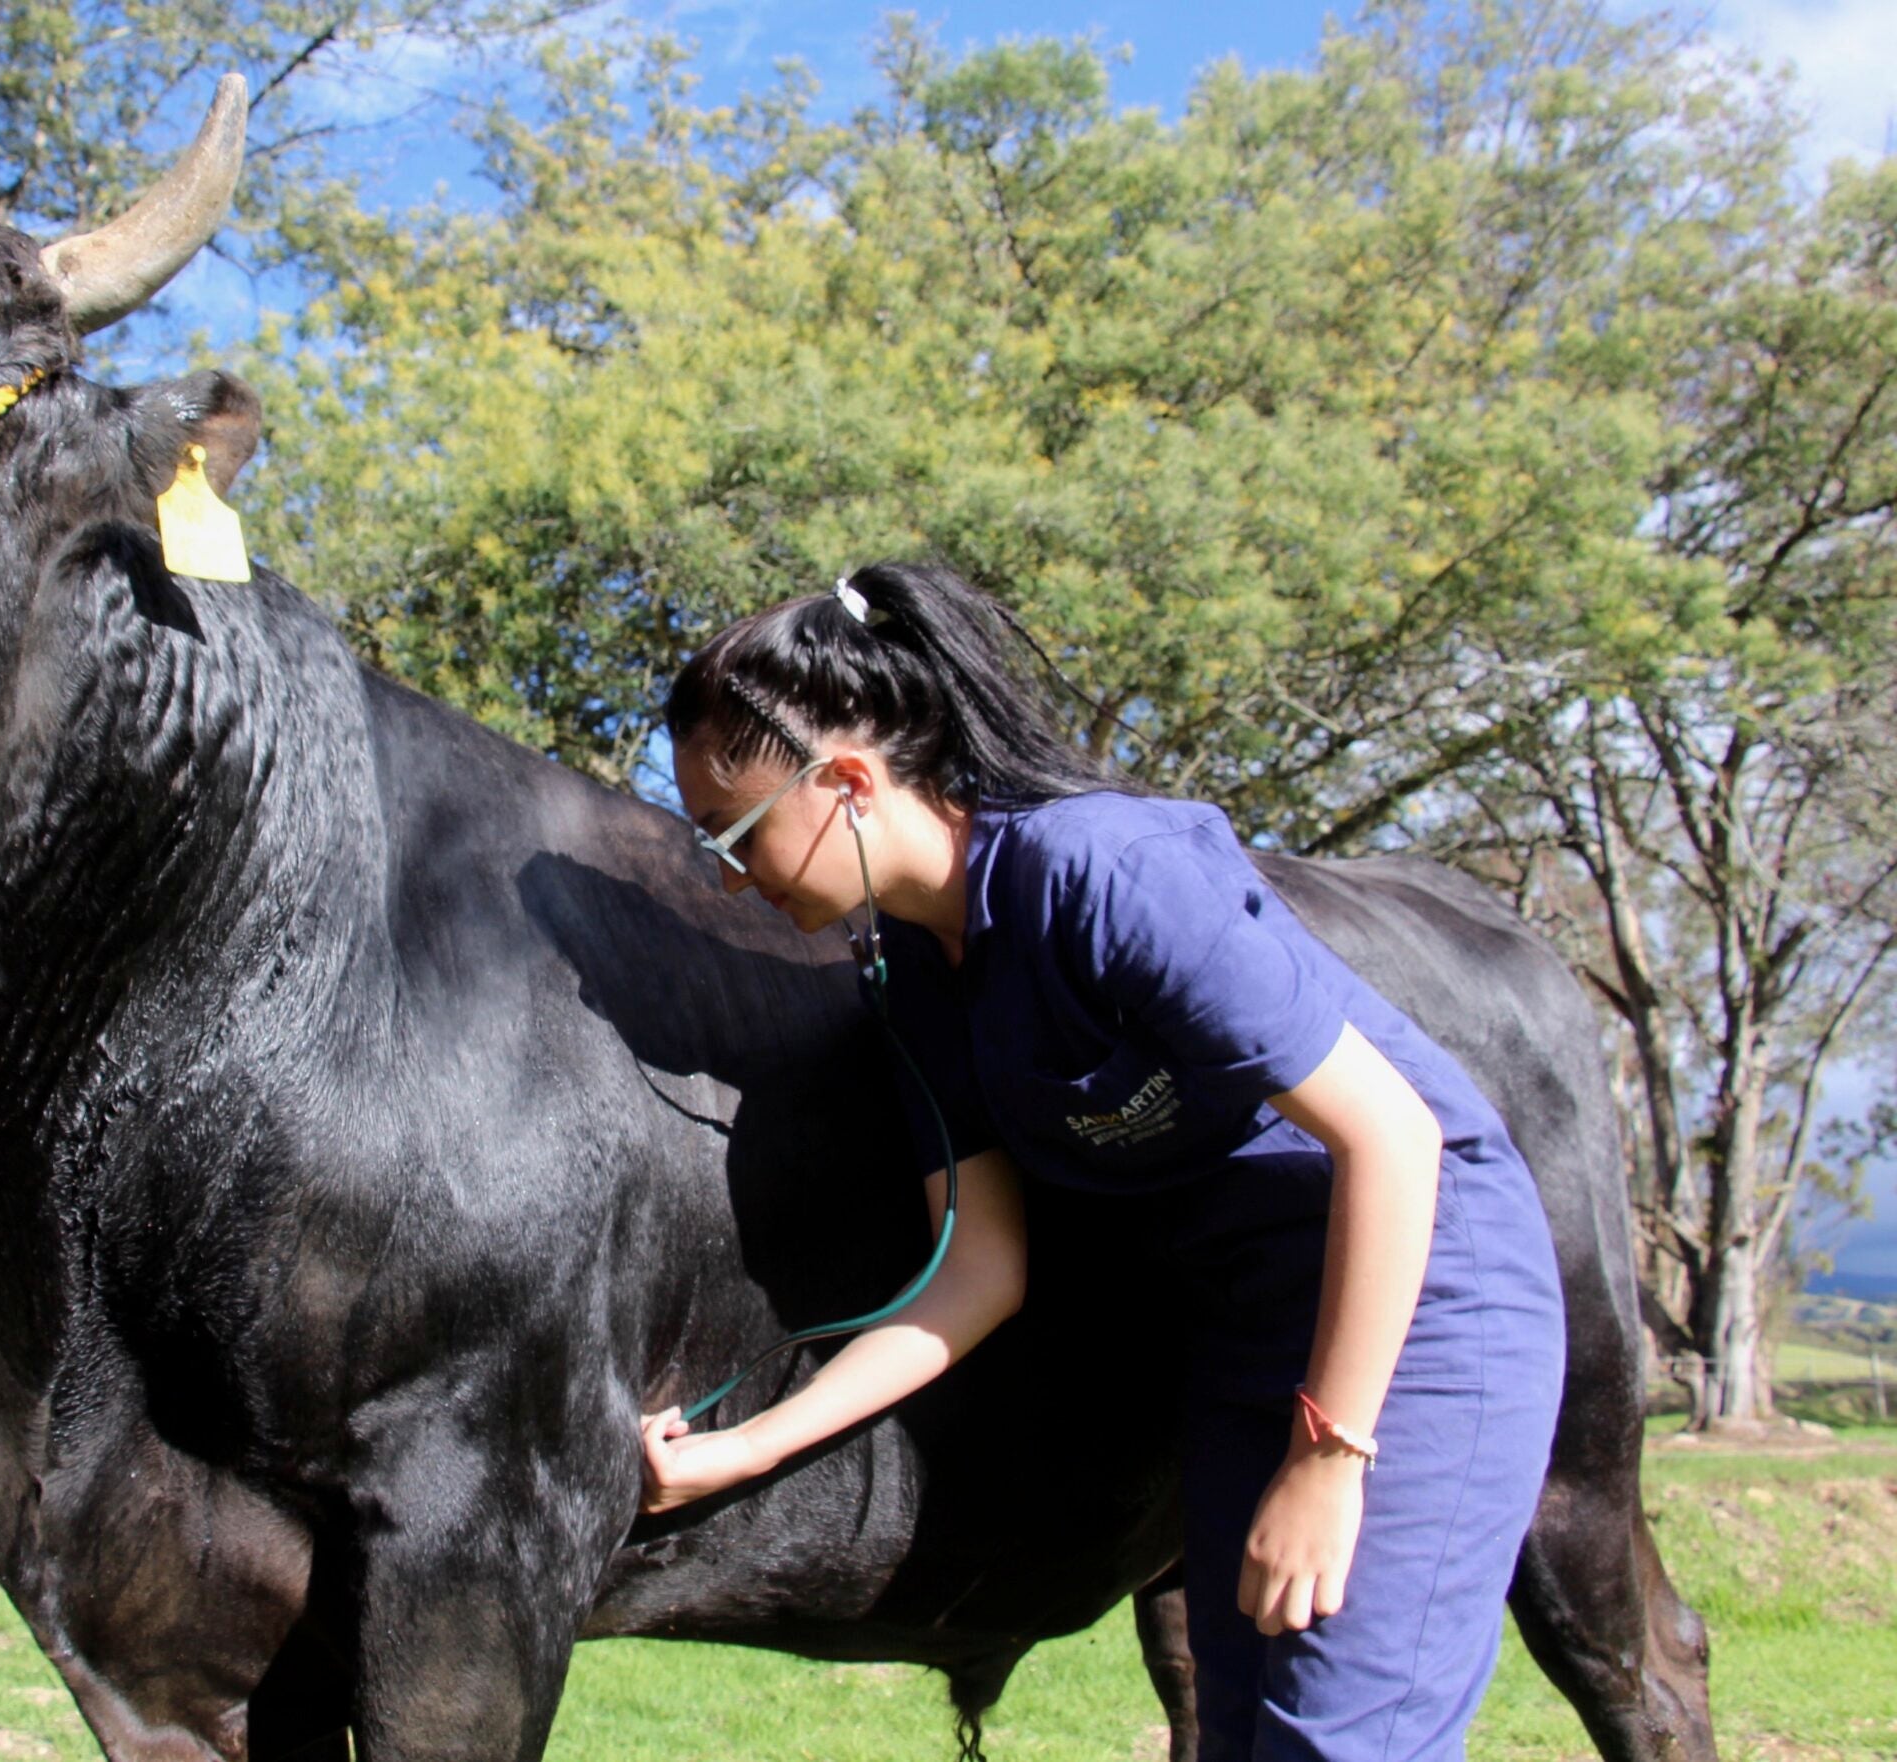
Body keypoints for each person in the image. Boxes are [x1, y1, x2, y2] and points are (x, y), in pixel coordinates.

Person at [639, 560, 1565, 1761]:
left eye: (736, 832)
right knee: (1243, 1736)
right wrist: (740, 1449)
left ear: (850, 782)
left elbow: (1392, 1135)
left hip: (1424, 1304)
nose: (726, 875)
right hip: (1250, 1345)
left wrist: (1331, 1458)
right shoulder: (919, 976)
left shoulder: (1105, 873)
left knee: (1341, 1742)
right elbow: (977, 1274)